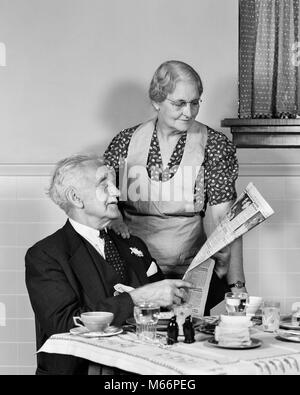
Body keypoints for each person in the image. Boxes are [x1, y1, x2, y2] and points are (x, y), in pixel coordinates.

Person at [25, 154, 192, 375]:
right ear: (76, 197)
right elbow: (63, 324)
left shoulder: (135, 245)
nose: (117, 192)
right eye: (104, 185)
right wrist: (140, 298)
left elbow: (163, 305)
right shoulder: (45, 255)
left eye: (113, 184)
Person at [104, 60, 245, 291]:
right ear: (156, 101)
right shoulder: (125, 143)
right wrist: (114, 217)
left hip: (188, 274)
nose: (188, 112)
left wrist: (237, 284)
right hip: (133, 273)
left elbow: (226, 221)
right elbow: (101, 198)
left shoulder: (214, 145)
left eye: (194, 103)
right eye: (179, 103)